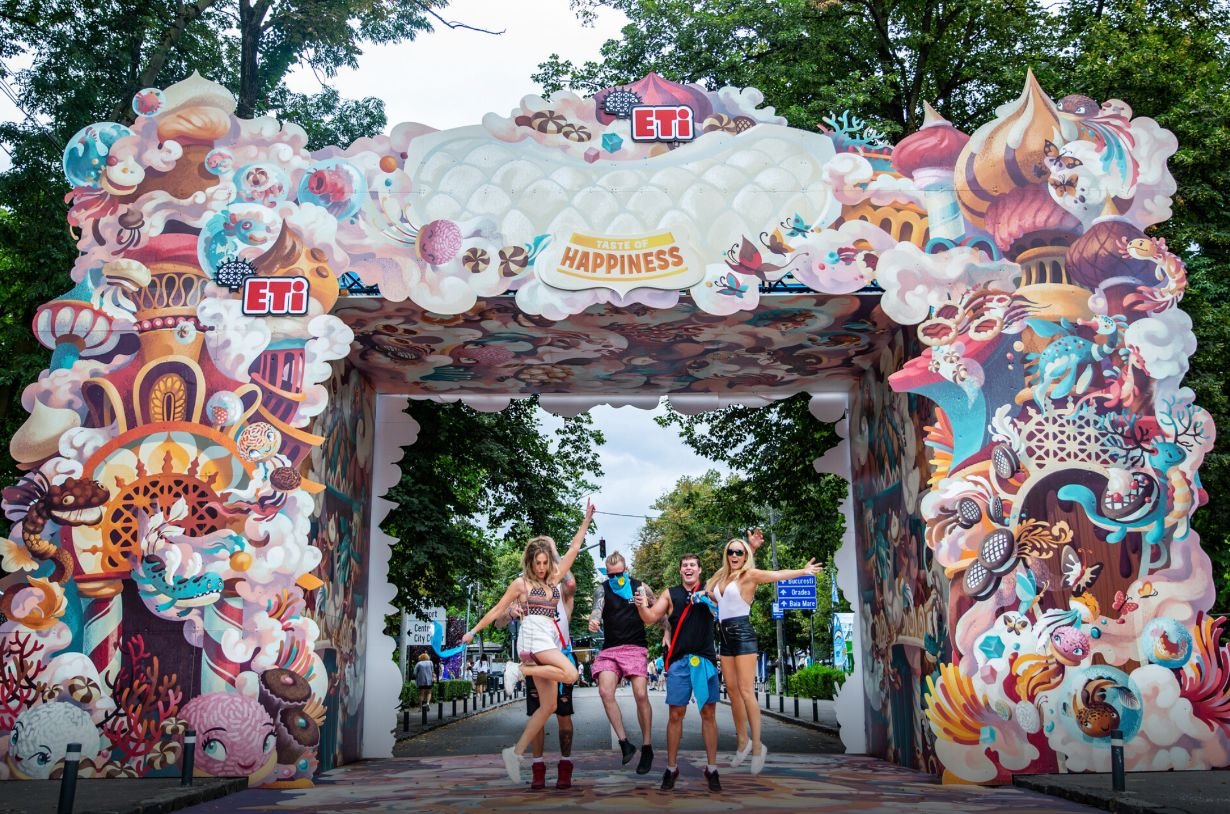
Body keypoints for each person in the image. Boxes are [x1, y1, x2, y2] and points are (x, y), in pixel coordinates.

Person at [463, 501, 594, 784]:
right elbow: (497, 610)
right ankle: (520, 670)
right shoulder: (521, 584)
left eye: (546, 563)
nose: (543, 567)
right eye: (538, 563)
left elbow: (573, 549)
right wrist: (473, 631)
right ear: (530, 562)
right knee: (571, 673)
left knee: (547, 707)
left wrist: (586, 520)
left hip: (547, 639)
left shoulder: (554, 579)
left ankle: (515, 753)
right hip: (533, 636)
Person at [708, 529, 821, 774]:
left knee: (747, 691)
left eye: (739, 552)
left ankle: (758, 747)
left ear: (745, 556)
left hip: (742, 634)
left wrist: (803, 571)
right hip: (724, 636)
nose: (734, 555)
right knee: (732, 692)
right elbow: (713, 595)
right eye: (731, 551)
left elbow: (777, 575)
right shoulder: (722, 576)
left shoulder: (750, 575)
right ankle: (743, 742)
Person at [635, 553, 722, 792]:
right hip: (679, 662)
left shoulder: (710, 589)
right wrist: (642, 605)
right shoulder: (670, 594)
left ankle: (712, 768)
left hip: (705, 660)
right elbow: (650, 618)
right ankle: (671, 768)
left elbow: (728, 598)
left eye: (692, 565)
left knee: (708, 714)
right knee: (676, 714)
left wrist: (709, 594)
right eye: (685, 565)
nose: (688, 568)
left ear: (700, 570)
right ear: (680, 570)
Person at [588, 551, 655, 773]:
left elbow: (657, 610)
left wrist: (667, 630)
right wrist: (593, 621)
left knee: (641, 694)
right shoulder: (602, 589)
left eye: (619, 574)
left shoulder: (639, 587)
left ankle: (647, 747)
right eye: (611, 575)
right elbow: (596, 610)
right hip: (611, 649)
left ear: (626, 570)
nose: (616, 578)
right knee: (605, 692)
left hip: (635, 646)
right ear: (607, 574)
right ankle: (625, 743)